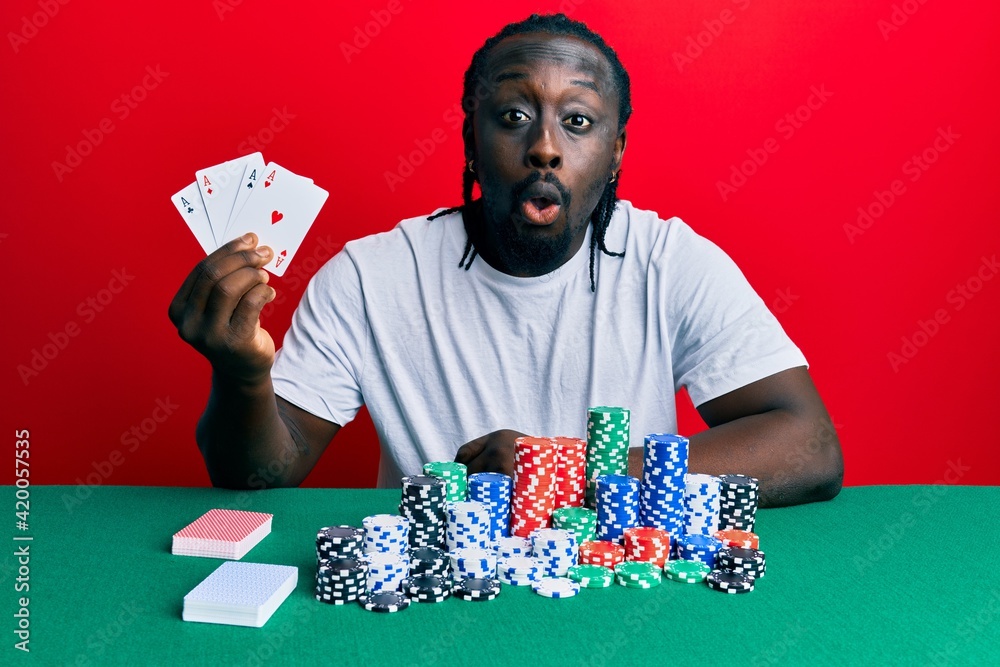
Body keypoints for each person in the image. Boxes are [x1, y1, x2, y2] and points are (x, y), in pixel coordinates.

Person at [168, 13, 842, 508]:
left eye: (577, 121)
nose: (545, 147)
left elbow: (809, 445)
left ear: (615, 152)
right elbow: (257, 476)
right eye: (514, 115)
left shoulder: (672, 262)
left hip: (617, 595)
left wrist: (568, 471)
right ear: (471, 137)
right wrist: (241, 377)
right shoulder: (369, 277)